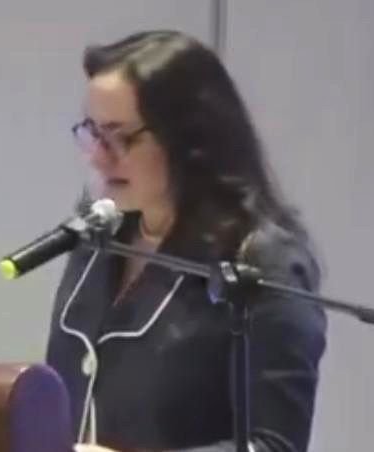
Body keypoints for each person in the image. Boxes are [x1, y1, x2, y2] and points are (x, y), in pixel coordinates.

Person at [45, 30, 327, 452]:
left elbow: (274, 446)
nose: (99, 156)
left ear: (190, 140)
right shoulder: (97, 236)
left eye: (121, 137)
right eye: (92, 132)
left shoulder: (262, 260)